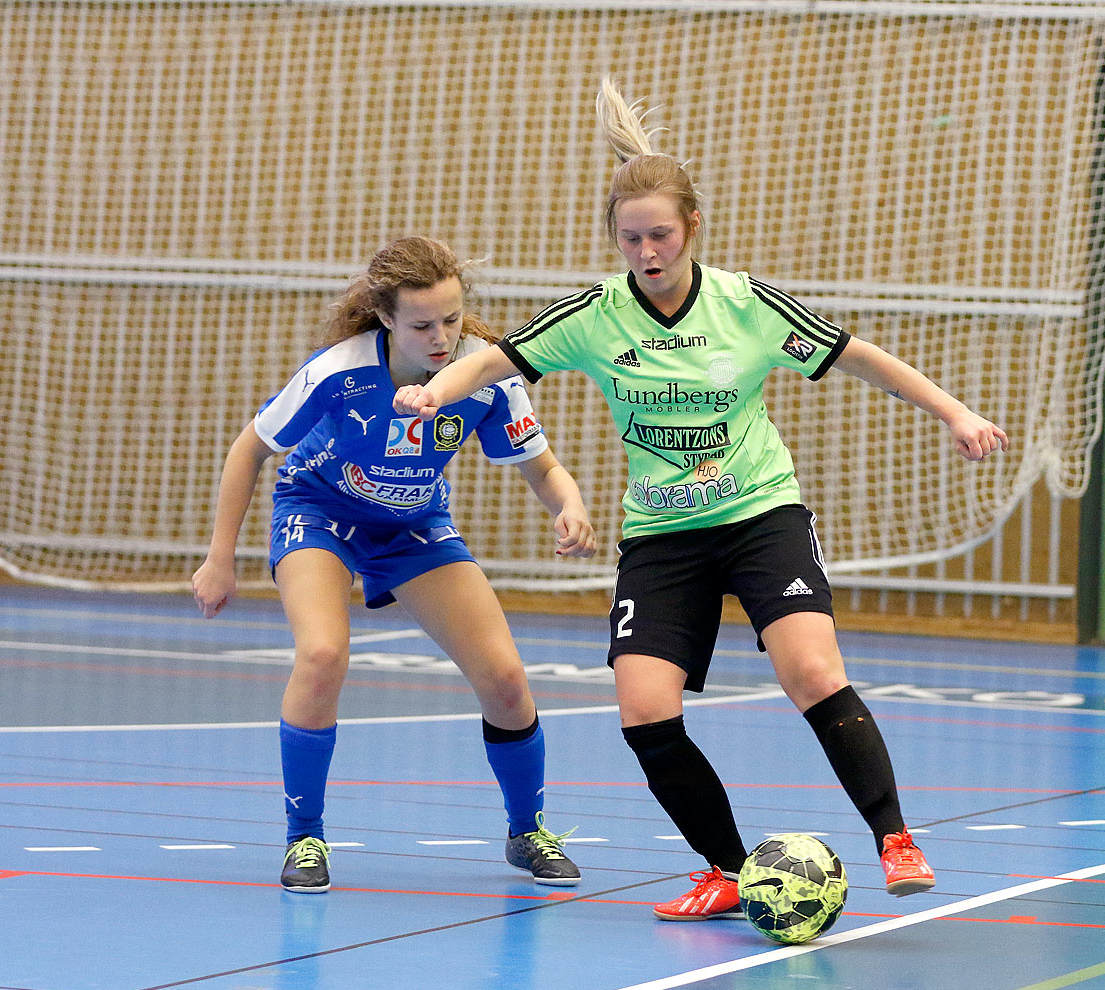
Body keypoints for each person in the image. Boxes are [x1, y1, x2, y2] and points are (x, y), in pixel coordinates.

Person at [393, 81, 1009, 919]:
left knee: (811, 669)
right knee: (644, 708)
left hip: (761, 515)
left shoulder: (744, 305)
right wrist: (436, 391)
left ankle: (895, 839)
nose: (646, 251)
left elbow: (859, 356)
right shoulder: (597, 315)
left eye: (661, 235)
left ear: (692, 231)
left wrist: (955, 411)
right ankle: (728, 869)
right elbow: (491, 360)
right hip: (663, 533)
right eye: (630, 237)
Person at [193, 235, 596, 894]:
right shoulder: (339, 372)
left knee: (505, 679)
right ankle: (305, 837)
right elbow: (249, 450)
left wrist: (570, 503)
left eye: (452, 319)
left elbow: (543, 468)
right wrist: (219, 558)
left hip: (413, 526)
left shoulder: (486, 377)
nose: (441, 336)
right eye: (421, 324)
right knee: (322, 654)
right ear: (385, 317)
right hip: (320, 513)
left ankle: (527, 830)